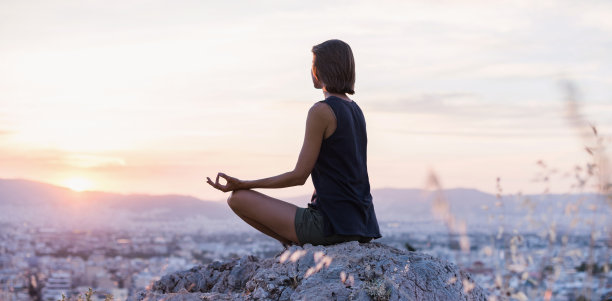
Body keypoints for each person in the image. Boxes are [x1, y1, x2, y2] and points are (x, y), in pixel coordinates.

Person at [206, 39, 381, 247]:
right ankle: (295, 243)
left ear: (319, 70)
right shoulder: (355, 109)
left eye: (313, 64)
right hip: (362, 223)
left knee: (237, 199)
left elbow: (299, 176)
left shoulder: (321, 111)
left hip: (330, 226)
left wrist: (244, 184)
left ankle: (293, 245)